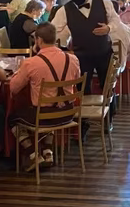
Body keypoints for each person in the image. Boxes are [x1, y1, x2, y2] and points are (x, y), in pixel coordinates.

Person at [9, 22, 81, 170]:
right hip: (68, 113)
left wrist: (19, 72)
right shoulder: (73, 59)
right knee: (51, 106)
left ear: (39, 40)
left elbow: (14, 88)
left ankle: (33, 154)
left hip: (43, 116)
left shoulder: (31, 63)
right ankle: (48, 152)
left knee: (13, 119)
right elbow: (77, 79)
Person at [52, 0, 130, 94]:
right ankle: (85, 106)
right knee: (82, 90)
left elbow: (116, 20)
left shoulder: (104, 3)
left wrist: (108, 28)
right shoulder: (64, 10)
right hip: (81, 56)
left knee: (108, 88)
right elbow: (53, 29)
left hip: (104, 53)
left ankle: (110, 106)